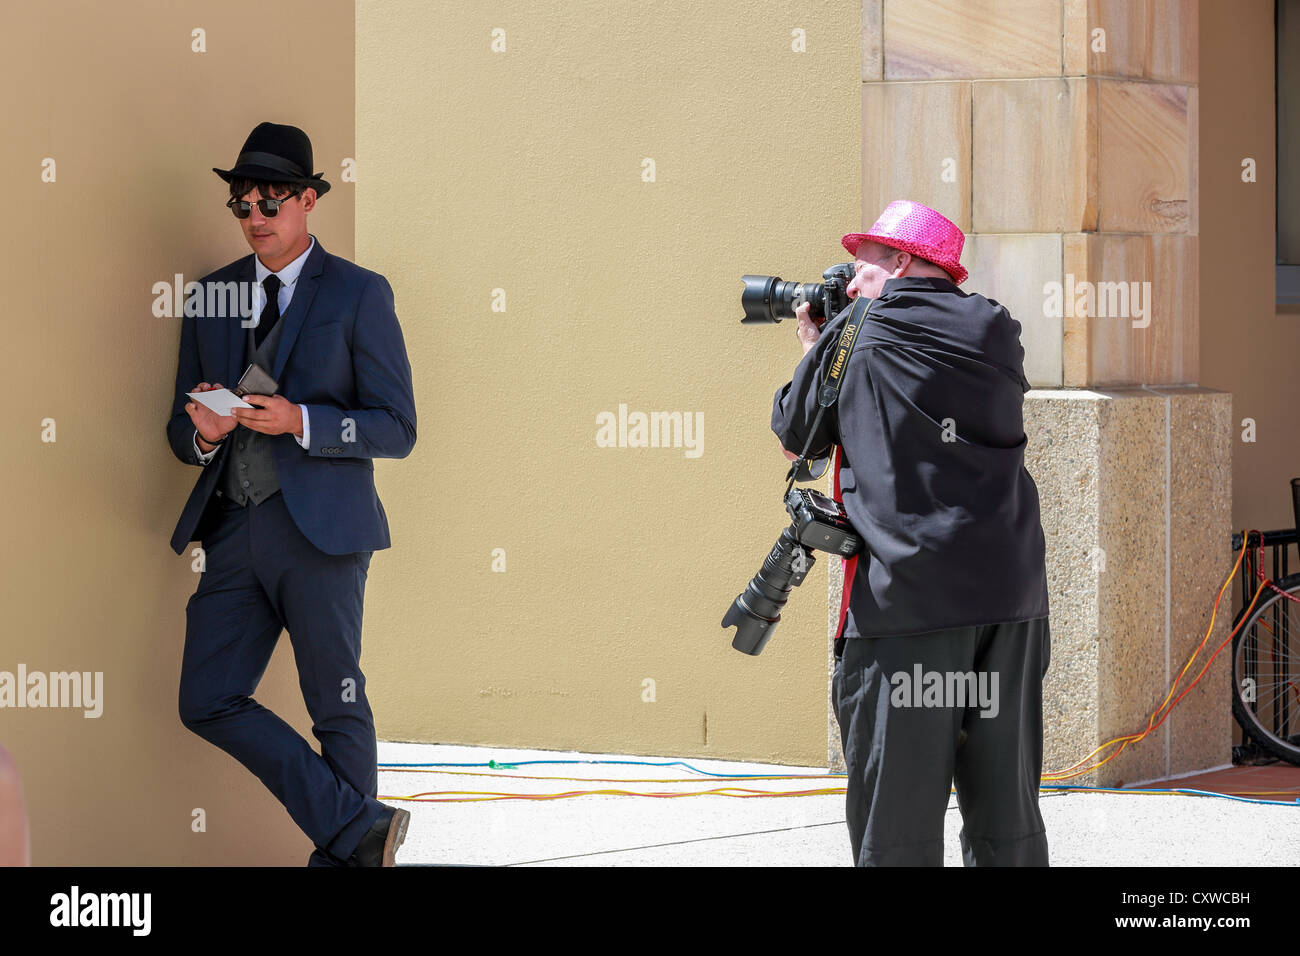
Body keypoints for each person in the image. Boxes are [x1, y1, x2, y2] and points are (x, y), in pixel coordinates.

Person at [165, 122, 417, 866]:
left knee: (336, 705)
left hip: (324, 534)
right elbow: (178, 437)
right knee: (205, 696)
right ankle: (355, 829)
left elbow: (397, 428)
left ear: (308, 200)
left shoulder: (360, 294)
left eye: (272, 201)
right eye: (243, 205)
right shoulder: (211, 297)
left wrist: (301, 420)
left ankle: (345, 853)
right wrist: (205, 435)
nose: (256, 218)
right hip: (236, 530)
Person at [771, 200, 1050, 866]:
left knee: (895, 826)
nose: (851, 282)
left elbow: (795, 439)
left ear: (899, 262)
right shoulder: (998, 329)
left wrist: (816, 343)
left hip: (906, 609)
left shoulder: (856, 333)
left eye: (862, 267)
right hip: (1010, 607)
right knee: (1006, 817)